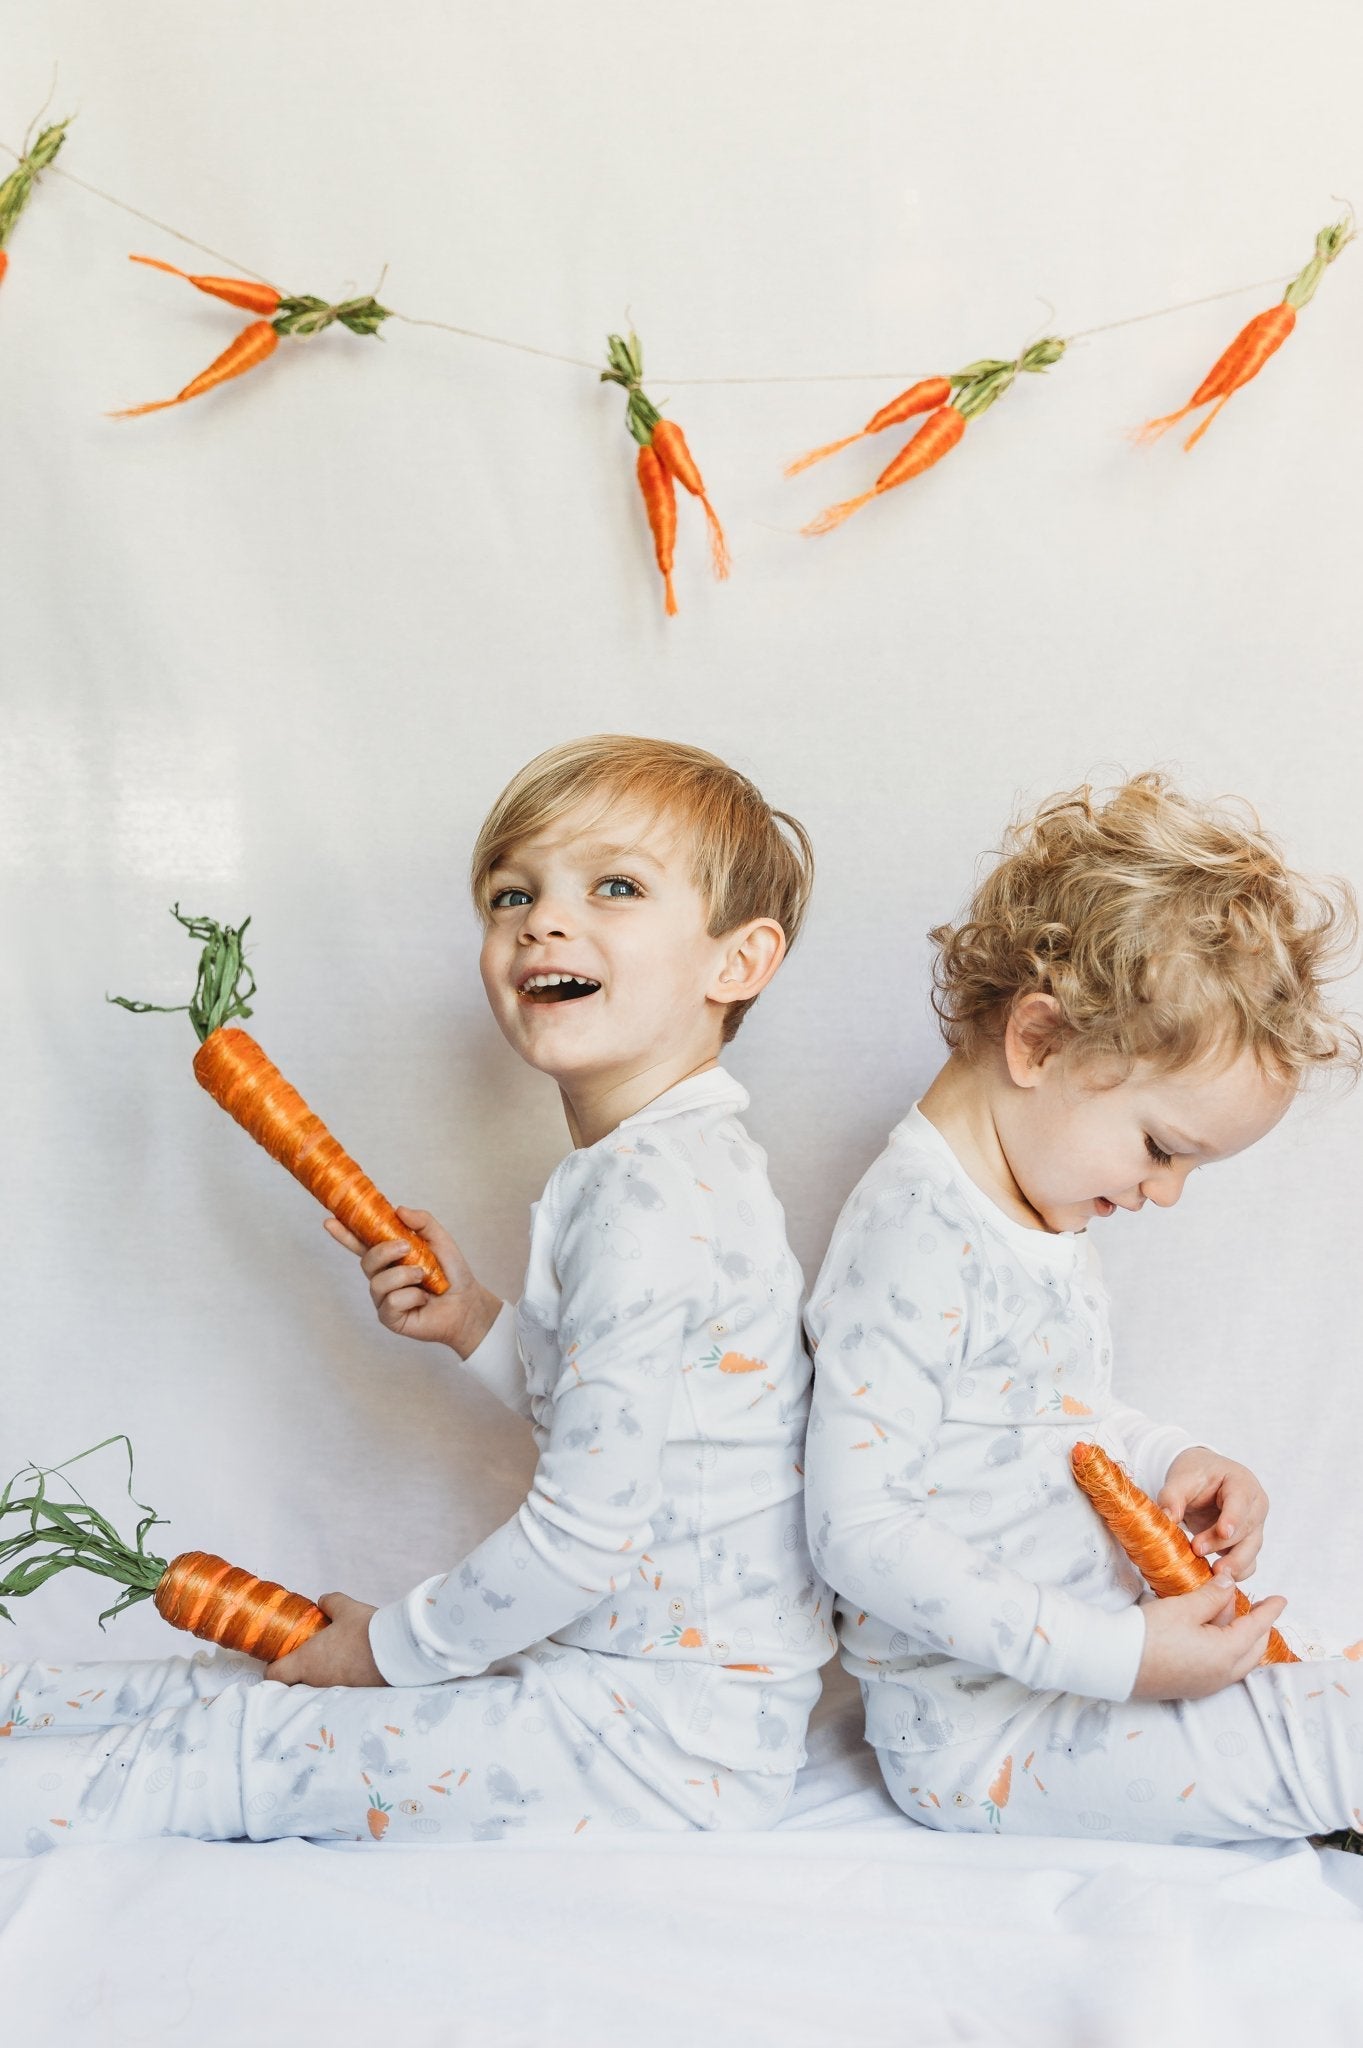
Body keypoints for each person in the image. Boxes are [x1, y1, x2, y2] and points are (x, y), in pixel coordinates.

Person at [0, 735, 833, 1852]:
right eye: (511, 893)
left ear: (736, 961)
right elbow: (646, 1423)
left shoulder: (648, 1196)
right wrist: (480, 1321)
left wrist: (384, 1649)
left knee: (239, 1747)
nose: (540, 919)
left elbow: (583, 1536)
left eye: (615, 885)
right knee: (228, 1691)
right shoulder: (667, 1165)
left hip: (653, 1739)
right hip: (638, 1694)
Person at [804, 772, 1363, 1843]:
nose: (1163, 1192)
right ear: (1039, 1041)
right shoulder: (913, 1236)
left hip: (1094, 1679)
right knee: (1329, 1737)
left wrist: (1167, 1457)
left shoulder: (1034, 1217)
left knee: (1320, 1707)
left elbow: (1051, 1419)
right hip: (988, 1741)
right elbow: (856, 1528)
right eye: (1163, 1148)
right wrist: (1117, 1656)